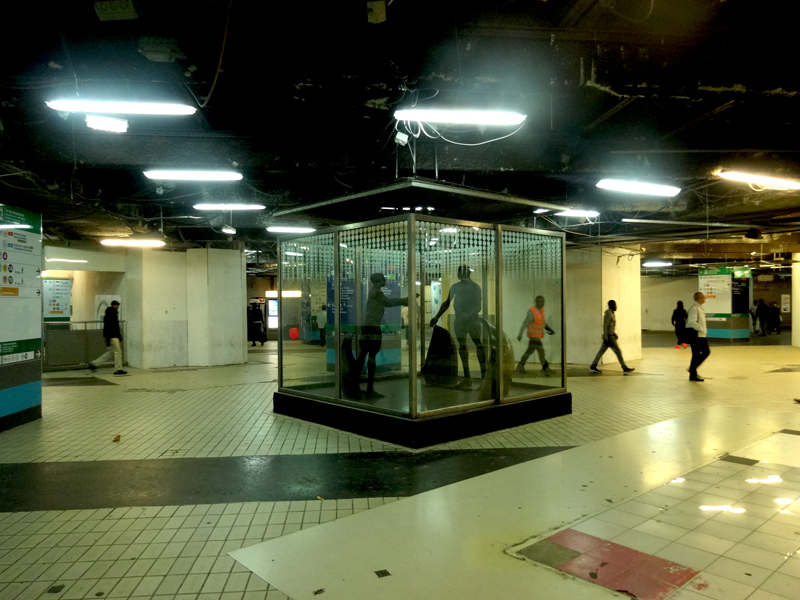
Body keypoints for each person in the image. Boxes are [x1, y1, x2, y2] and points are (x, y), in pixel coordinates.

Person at [354, 273, 411, 399]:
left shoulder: (374, 292)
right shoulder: (377, 292)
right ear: (378, 281)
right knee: (371, 357)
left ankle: (355, 385)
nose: (385, 280)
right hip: (372, 328)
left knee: (363, 355)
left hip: (368, 326)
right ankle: (369, 389)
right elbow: (388, 302)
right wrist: (405, 300)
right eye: (383, 278)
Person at [430, 265, 487, 385]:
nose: (458, 273)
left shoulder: (475, 287)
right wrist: (436, 316)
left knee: (478, 345)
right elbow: (446, 303)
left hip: (472, 320)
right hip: (460, 319)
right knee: (462, 346)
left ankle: (484, 377)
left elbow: (478, 305)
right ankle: (467, 377)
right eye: (458, 271)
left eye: (460, 271)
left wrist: (469, 314)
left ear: (466, 273)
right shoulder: (455, 287)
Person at [589, 300, 634, 374]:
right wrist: (606, 337)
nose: (616, 307)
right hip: (609, 337)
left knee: (601, 351)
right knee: (618, 351)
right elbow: (605, 325)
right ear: (611, 305)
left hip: (610, 336)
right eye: (614, 305)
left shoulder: (612, 313)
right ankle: (624, 368)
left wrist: (613, 333)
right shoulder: (608, 314)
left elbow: (610, 326)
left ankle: (593, 365)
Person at [515, 295, 555, 375]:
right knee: (541, 352)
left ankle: (520, 366)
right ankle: (546, 369)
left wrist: (549, 329)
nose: (543, 303)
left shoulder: (541, 310)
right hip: (534, 337)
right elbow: (525, 323)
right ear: (536, 302)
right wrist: (520, 334)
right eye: (541, 301)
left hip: (537, 337)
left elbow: (542, 322)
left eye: (544, 301)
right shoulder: (531, 312)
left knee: (529, 352)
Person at [88, 300, 126, 375]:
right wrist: (119, 336)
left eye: (118, 305)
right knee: (118, 352)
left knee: (111, 352)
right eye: (116, 305)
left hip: (110, 336)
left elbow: (107, 327)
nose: (117, 307)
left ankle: (94, 363)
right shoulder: (113, 314)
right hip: (113, 336)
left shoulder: (108, 314)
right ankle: (118, 369)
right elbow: (115, 326)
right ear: (113, 305)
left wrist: (107, 338)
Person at [686, 291, 709, 382]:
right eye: (704, 297)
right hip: (697, 335)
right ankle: (692, 369)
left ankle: (692, 374)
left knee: (696, 355)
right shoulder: (694, 308)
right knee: (705, 352)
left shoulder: (700, 309)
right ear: (699, 298)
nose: (705, 298)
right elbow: (692, 321)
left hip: (700, 335)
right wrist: (701, 329)